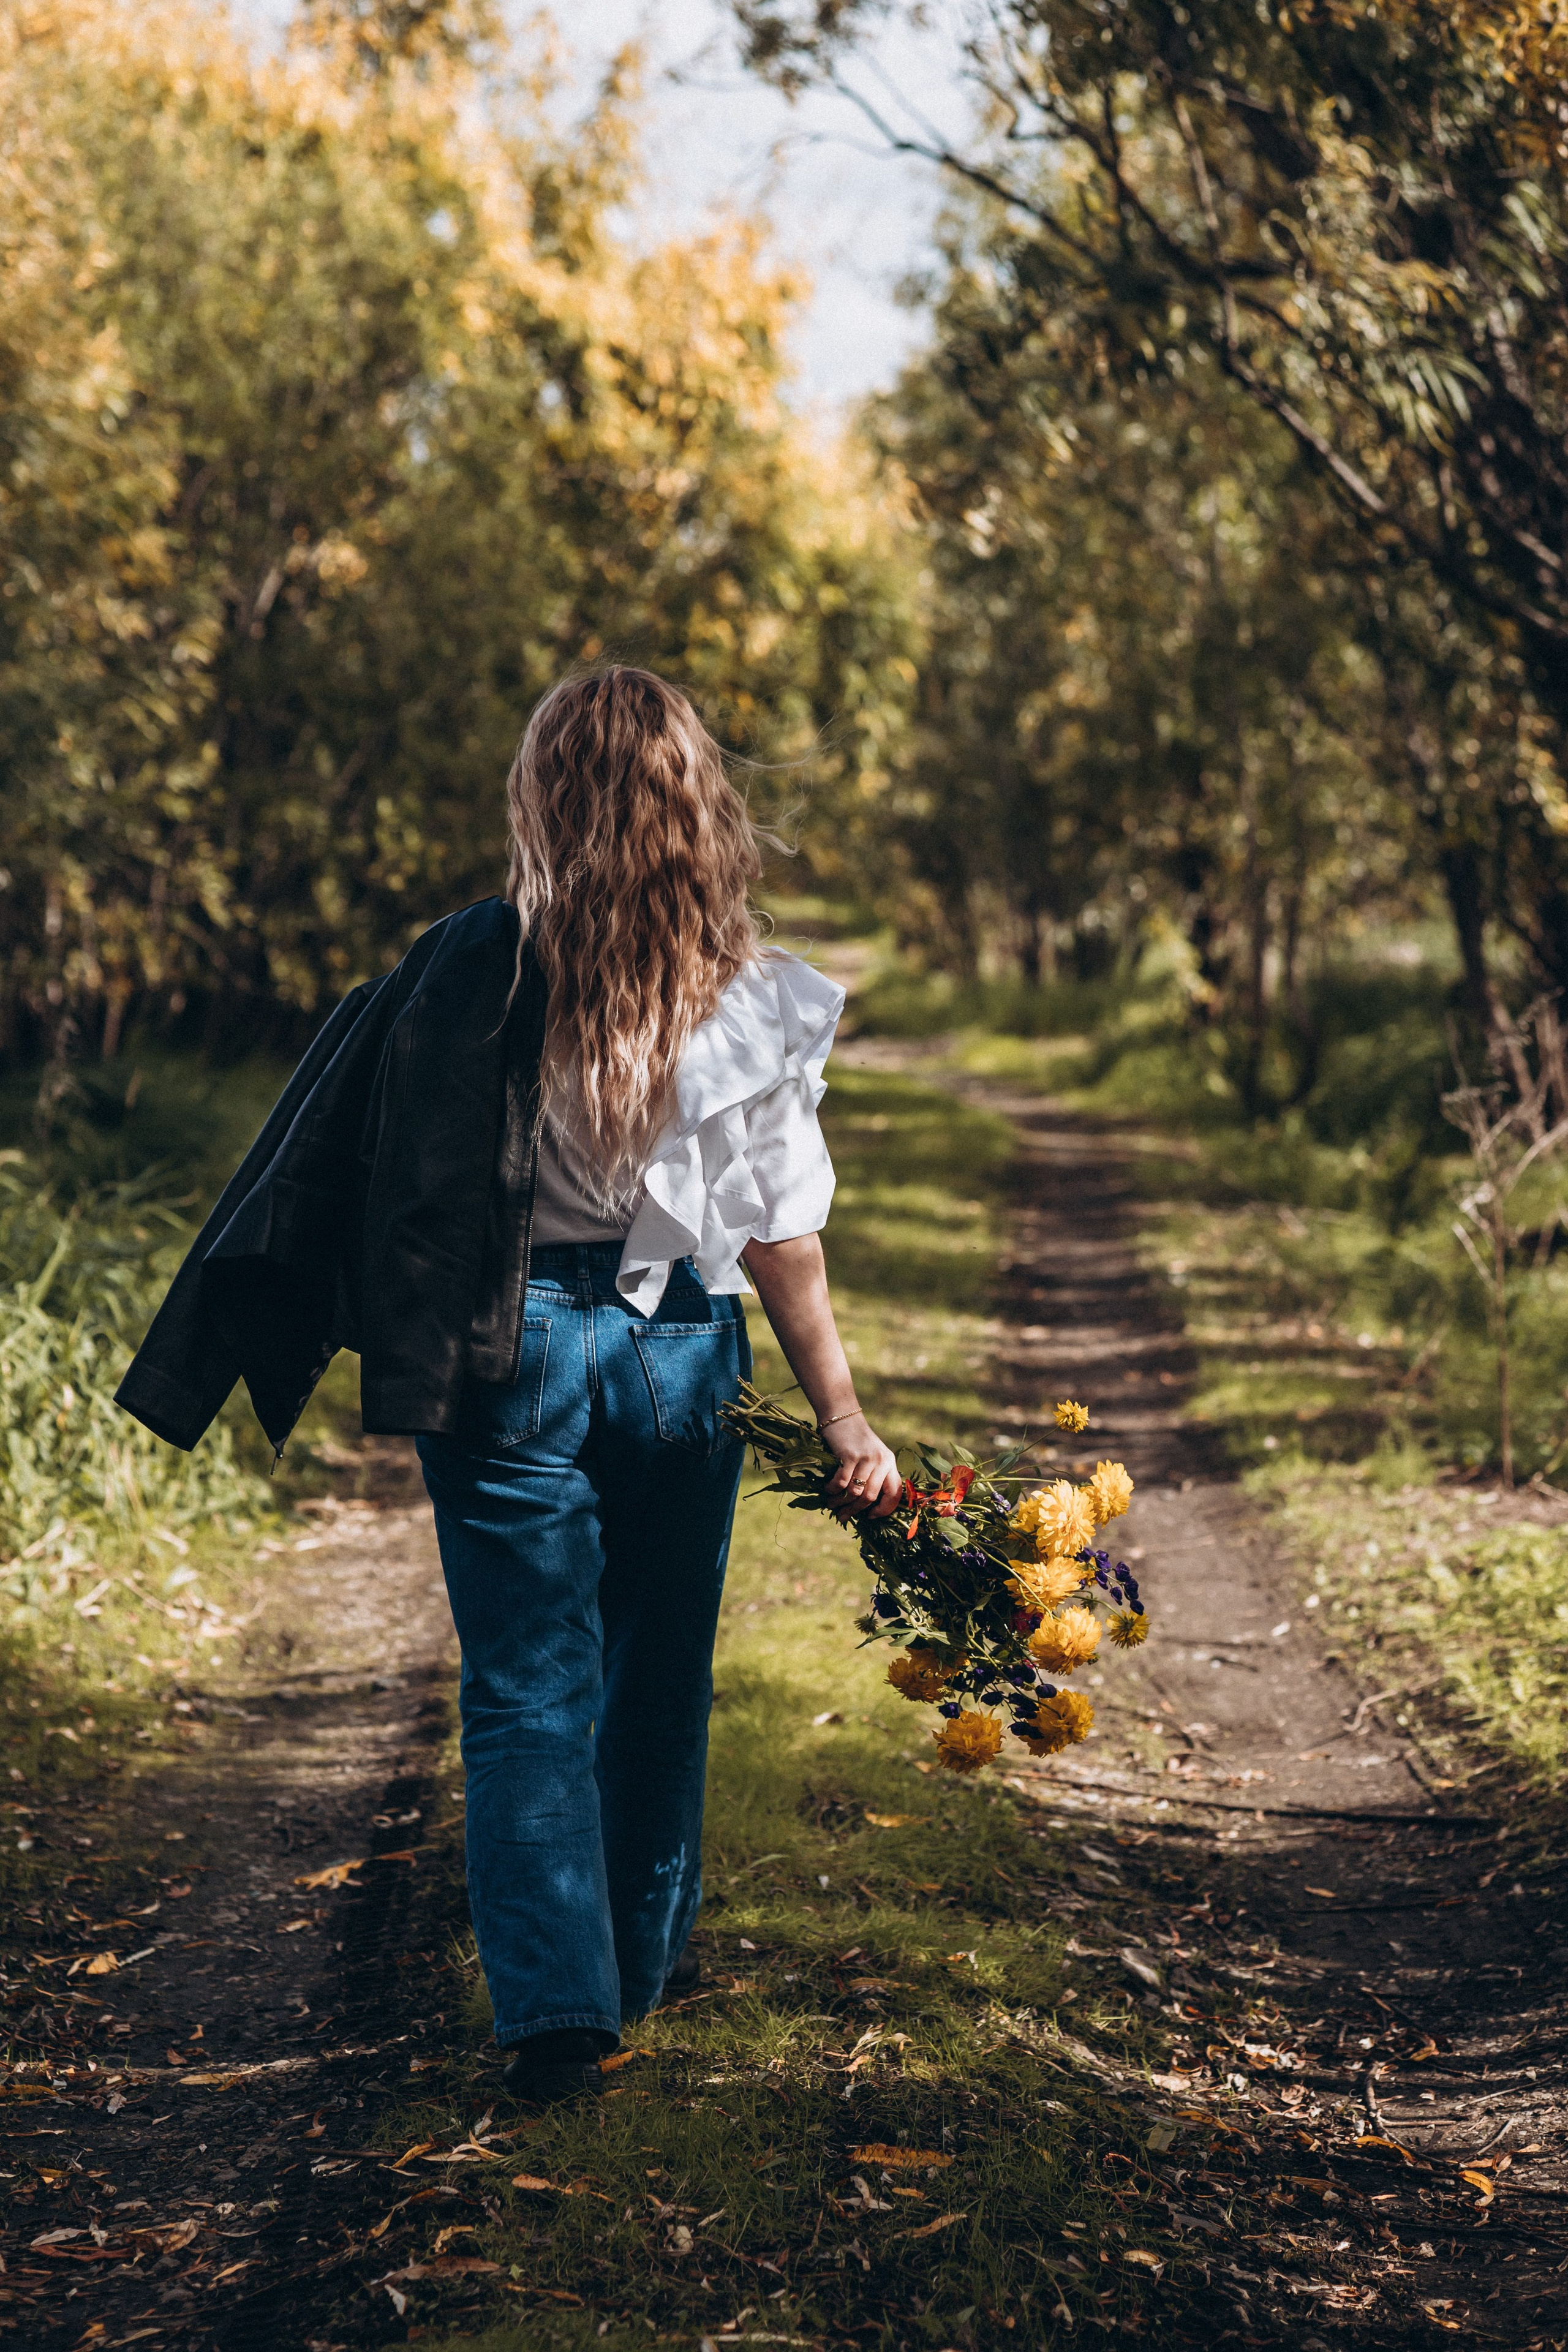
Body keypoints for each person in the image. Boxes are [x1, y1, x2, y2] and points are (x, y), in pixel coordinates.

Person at [116, 666, 902, 2103]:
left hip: (509, 1352)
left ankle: (559, 2019)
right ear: (695, 805)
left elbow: (386, 1165)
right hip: (679, 1352)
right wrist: (841, 1416)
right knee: (657, 1685)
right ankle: (633, 1972)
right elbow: (782, 1234)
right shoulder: (754, 997)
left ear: (541, 797)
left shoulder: (472, 967)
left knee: (528, 1689)